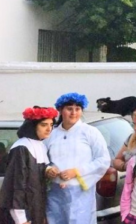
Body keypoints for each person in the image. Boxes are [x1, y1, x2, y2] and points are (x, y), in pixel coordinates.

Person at [45, 93, 111, 224]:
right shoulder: (52, 134)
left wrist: (77, 171)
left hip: (81, 192)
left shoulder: (90, 132)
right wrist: (48, 169)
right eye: (69, 109)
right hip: (55, 194)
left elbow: (103, 160)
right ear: (60, 110)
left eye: (77, 109)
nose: (73, 113)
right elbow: (42, 159)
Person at [0, 106, 58, 224]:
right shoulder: (21, 148)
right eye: (44, 125)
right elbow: (15, 187)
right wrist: (21, 219)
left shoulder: (40, 144)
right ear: (32, 126)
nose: (49, 129)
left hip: (34, 208)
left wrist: (48, 170)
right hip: (21, 215)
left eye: (51, 125)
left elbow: (40, 168)